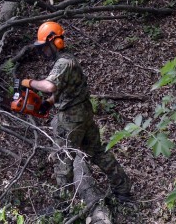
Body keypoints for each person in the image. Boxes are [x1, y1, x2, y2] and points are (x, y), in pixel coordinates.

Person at [19, 21, 133, 201]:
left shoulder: (63, 63)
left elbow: (49, 86)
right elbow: (66, 88)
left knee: (63, 160)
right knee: (97, 152)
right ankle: (123, 189)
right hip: (84, 113)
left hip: (72, 118)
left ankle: (63, 206)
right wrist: (48, 103)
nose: (44, 52)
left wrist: (28, 82)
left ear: (55, 42)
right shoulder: (68, 59)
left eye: (46, 47)